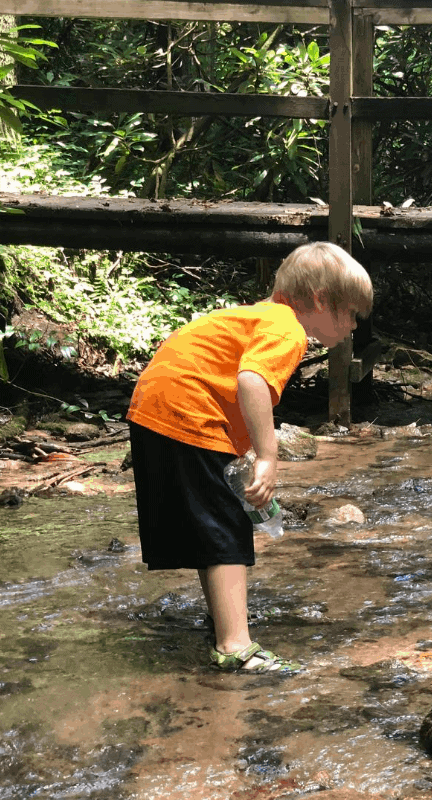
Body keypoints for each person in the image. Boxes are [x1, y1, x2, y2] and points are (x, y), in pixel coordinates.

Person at [127, 241, 373, 673]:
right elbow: (252, 381)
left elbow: (221, 379)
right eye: (351, 313)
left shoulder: (257, 316)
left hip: (155, 408)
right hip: (187, 411)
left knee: (212, 524)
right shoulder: (288, 328)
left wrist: (239, 458)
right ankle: (235, 647)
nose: (354, 326)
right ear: (319, 300)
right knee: (226, 528)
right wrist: (267, 456)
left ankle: (222, 619)